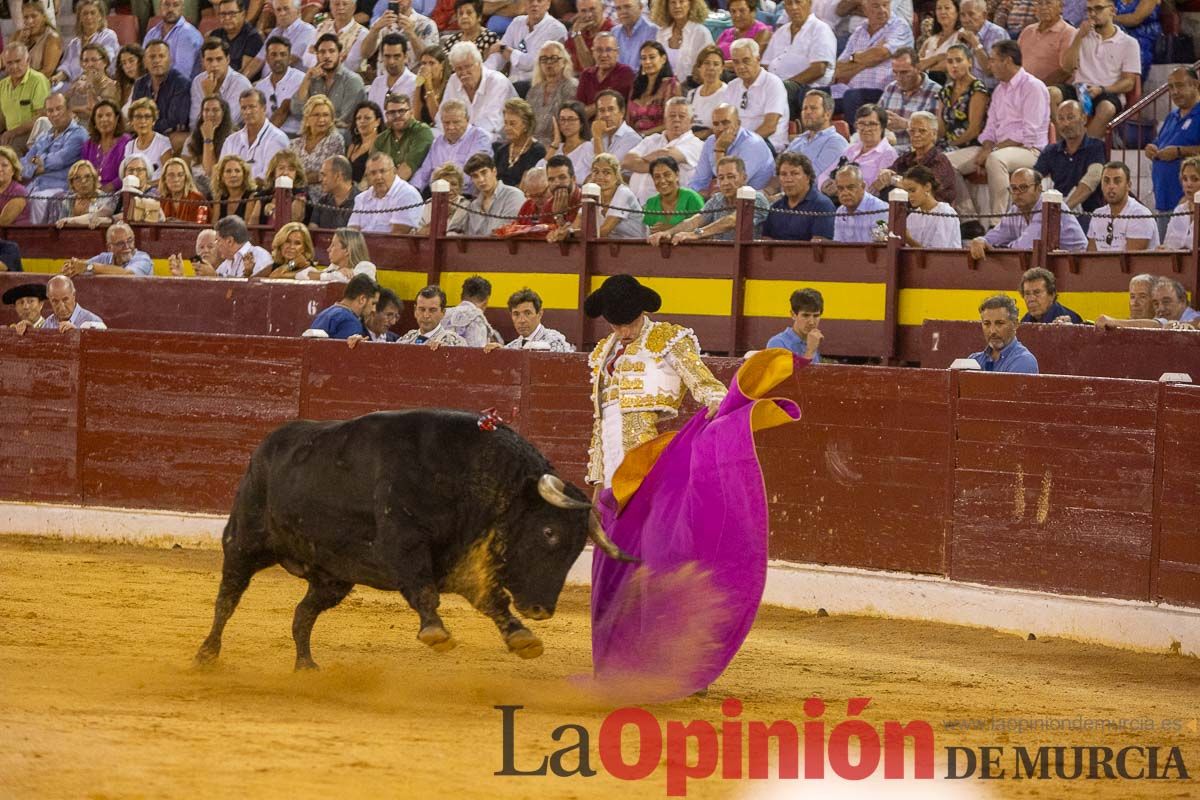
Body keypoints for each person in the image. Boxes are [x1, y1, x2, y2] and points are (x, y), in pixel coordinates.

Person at [583, 273, 727, 488]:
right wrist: (597, 472)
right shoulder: (604, 351)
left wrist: (717, 400)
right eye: (616, 325)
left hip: (649, 451)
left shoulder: (667, 338)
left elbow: (702, 380)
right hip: (608, 452)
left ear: (642, 312)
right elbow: (601, 417)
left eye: (630, 324)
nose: (624, 332)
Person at [950, 40, 1049, 216]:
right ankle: (969, 218)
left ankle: (999, 221)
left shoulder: (1033, 86)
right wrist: (987, 147)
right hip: (998, 148)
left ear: (1008, 61)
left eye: (993, 60)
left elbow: (1028, 133)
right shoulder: (999, 90)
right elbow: (990, 129)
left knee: (995, 159)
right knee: (946, 162)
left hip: (1029, 150)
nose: (989, 65)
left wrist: (992, 150)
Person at [1053, 0, 1138, 139]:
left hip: (1107, 92)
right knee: (1051, 93)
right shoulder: (1079, 35)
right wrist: (1079, 37)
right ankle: (1061, 144)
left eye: (1098, 9)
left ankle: (1084, 148)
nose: (1092, 14)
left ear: (1112, 11)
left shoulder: (1129, 43)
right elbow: (1067, 67)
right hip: (1079, 88)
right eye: (1089, 10)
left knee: (1106, 108)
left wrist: (1102, 89)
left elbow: (1129, 83)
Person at [650, 155, 771, 243]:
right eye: (721, 178)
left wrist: (696, 234)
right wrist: (668, 233)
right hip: (719, 258)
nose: (725, 183)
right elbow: (695, 220)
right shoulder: (717, 199)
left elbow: (732, 221)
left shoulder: (757, 198)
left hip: (750, 262)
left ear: (744, 178)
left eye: (731, 177)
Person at [969, 167, 1088, 255]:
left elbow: (1025, 247)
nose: (1017, 193)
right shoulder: (1016, 209)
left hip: (1077, 266)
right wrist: (981, 241)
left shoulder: (1049, 206)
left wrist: (995, 249)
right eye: (1014, 188)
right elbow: (998, 235)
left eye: (1024, 187)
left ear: (1039, 188)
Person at [832, 0, 913, 126]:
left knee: (851, 97)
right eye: (876, 6)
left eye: (885, 5)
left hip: (883, 91)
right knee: (814, 96)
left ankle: (857, 140)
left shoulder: (899, 26)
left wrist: (856, 59)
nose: (882, 10)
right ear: (865, 9)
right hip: (851, 89)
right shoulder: (859, 31)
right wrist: (864, 60)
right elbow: (839, 69)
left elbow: (881, 54)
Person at [20, 93, 86, 223]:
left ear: (68, 110)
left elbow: (58, 160)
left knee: (35, 200)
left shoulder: (78, 134)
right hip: (35, 187)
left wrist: (36, 162)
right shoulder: (44, 136)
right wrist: (36, 164)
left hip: (60, 188)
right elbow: (24, 163)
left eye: (59, 108)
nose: (54, 114)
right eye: (50, 110)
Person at [622, 96, 701, 203]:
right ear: (665, 119)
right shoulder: (652, 139)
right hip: (635, 205)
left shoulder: (696, 144)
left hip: (667, 209)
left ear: (691, 121)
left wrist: (641, 160)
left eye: (681, 116)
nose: (676, 119)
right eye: (672, 115)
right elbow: (627, 161)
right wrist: (656, 162)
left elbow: (667, 156)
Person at [1147, 69, 1200, 225]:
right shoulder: (1172, 116)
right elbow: (1160, 142)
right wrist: (1151, 148)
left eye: (1180, 85)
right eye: (1170, 87)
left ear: (1195, 85)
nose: (1174, 92)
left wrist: (1179, 152)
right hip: (1163, 200)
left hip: (1189, 203)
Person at [1033, 100, 1105, 213]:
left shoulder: (1096, 147)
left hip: (1088, 215)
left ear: (1084, 119)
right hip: (1057, 212)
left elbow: (1093, 177)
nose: (1066, 123)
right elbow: (1034, 178)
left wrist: (1064, 209)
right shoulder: (1051, 150)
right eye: (1061, 119)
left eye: (1070, 117)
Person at [871, 111, 956, 203]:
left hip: (931, 213)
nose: (916, 135)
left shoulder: (939, 160)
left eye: (922, 131)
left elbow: (923, 189)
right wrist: (884, 174)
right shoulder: (906, 158)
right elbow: (880, 183)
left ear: (934, 134)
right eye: (912, 131)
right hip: (898, 209)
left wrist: (893, 180)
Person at [689, 103, 774, 194]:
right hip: (724, 199)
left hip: (752, 200)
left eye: (725, 123)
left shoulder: (752, 144)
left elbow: (731, 186)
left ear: (738, 124)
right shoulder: (710, 141)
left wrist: (719, 150)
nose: (720, 128)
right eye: (716, 124)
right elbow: (698, 182)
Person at [410, 99, 491, 193]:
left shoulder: (480, 137)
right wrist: (413, 190)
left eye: (456, 122)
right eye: (446, 123)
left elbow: (473, 172)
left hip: (466, 195)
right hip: (438, 194)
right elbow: (424, 172)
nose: (451, 127)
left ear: (467, 120)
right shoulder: (438, 142)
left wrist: (446, 184)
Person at [441, 41, 517, 139]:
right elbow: (443, 114)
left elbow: (492, 123)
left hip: (498, 139)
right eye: (459, 69)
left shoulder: (498, 82)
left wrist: (461, 134)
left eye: (468, 66)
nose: (464, 72)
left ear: (479, 63)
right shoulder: (453, 80)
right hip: (461, 135)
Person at [723, 38, 788, 152]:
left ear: (758, 59)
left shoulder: (773, 83)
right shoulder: (732, 86)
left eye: (746, 60)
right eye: (736, 62)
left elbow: (770, 127)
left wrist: (742, 144)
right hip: (737, 143)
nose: (741, 66)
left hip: (766, 143)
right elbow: (725, 121)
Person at [762, 0, 836, 96]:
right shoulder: (780, 32)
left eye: (798, 2)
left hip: (806, 89)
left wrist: (785, 86)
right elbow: (765, 65)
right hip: (776, 86)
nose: (794, 7)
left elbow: (818, 69)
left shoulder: (820, 29)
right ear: (785, 7)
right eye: (789, 3)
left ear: (809, 3)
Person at [484, 0, 567, 85]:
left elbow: (532, 63)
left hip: (538, 85)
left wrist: (505, 49)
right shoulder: (517, 23)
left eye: (539, 1)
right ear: (524, 3)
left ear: (548, 4)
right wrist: (484, 72)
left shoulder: (556, 29)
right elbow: (498, 56)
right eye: (530, 0)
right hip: (512, 83)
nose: (534, 4)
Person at [293, 33, 367, 127]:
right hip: (315, 131)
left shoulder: (352, 80)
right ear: (317, 56)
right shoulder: (313, 79)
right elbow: (296, 110)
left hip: (342, 134)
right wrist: (306, 80)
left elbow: (345, 119)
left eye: (331, 51)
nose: (327, 56)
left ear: (340, 54)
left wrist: (315, 124)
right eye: (322, 52)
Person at [819, 103, 895, 194]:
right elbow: (824, 174)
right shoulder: (851, 149)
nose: (866, 128)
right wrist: (825, 185)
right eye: (861, 123)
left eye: (872, 124)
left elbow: (874, 190)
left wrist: (841, 187)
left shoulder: (888, 154)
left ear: (883, 127)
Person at [876, 47, 941, 153]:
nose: (899, 78)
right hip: (887, 145)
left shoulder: (935, 92)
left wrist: (906, 124)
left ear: (918, 68)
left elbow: (936, 133)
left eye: (904, 72)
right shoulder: (891, 88)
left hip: (915, 150)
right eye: (895, 72)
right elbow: (876, 117)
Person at [1086, 160, 1158, 251]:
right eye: (1106, 181)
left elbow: (1131, 261)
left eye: (1117, 181)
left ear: (1128, 185)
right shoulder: (1097, 214)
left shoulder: (1140, 214)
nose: (1111, 186)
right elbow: (1091, 256)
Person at [763, 152, 835, 241]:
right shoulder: (776, 207)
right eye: (783, 174)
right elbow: (766, 242)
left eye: (795, 173)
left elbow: (819, 247)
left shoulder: (822, 206)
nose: (788, 179)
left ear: (807, 177)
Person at [223, 88, 290, 181]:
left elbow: (270, 175)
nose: (247, 112)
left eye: (252, 107)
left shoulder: (277, 138)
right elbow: (221, 172)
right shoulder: (231, 140)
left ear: (264, 108)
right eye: (244, 108)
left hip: (264, 194)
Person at [348, 150, 423, 232]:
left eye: (382, 171)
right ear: (367, 176)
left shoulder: (407, 195)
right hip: (362, 243)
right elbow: (352, 233)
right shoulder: (361, 198)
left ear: (394, 171)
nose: (378, 177)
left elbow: (399, 236)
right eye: (373, 173)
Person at [785, 90, 848, 185]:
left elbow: (813, 178)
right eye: (804, 108)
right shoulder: (798, 141)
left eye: (813, 108)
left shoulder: (835, 142)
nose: (807, 112)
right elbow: (779, 171)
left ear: (827, 114)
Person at [51, 0, 119, 87]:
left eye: (93, 13)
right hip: (74, 85)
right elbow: (66, 66)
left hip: (100, 84)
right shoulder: (74, 44)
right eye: (85, 14)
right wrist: (58, 76)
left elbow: (105, 62)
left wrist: (84, 78)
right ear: (80, 18)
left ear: (100, 16)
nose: (89, 17)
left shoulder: (108, 36)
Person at [190, 38, 254, 129]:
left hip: (232, 136)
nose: (214, 65)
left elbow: (227, 123)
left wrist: (209, 95)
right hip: (203, 134)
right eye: (209, 60)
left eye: (219, 59)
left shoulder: (241, 84)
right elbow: (194, 122)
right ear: (203, 62)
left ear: (227, 60)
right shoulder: (198, 81)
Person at [483, 287, 573, 351]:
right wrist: (501, 354)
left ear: (540, 314)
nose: (521, 320)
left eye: (528, 313)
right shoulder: (512, 347)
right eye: (516, 314)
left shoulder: (555, 341)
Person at [968, 294, 1039, 373]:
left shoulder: (1024, 361)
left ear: (1015, 324)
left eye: (1000, 323)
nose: (992, 331)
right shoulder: (974, 360)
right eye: (987, 324)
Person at [0, 43, 51, 152]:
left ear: (28, 60)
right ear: (4, 64)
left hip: (34, 135)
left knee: (9, 151)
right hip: (11, 135)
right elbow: (2, 119)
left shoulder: (38, 80)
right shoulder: (2, 85)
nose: (14, 66)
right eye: (9, 63)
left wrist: (13, 132)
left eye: (18, 61)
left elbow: (42, 117)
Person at [1095, 276, 1200, 330]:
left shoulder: (1194, 318)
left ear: (1182, 301)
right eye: (1156, 304)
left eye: (1166, 301)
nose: (1161, 309)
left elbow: (1159, 325)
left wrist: (1114, 322)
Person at [246, 0, 318, 77]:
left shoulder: (307, 31)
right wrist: (241, 82)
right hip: (266, 83)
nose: (282, 13)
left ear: (298, 10)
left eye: (286, 9)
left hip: (289, 84)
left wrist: (264, 83)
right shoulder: (275, 32)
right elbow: (258, 60)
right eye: (278, 10)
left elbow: (287, 62)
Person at [13, 275, 104, 335]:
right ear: (49, 300)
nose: (61, 307)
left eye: (65, 300)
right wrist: (30, 332)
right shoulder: (48, 323)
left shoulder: (93, 321)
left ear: (74, 296)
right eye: (55, 301)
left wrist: (77, 334)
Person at [517, 153, 581, 236]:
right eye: (551, 179)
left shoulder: (584, 201)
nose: (557, 183)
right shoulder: (548, 205)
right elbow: (544, 241)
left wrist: (559, 216)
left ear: (573, 179)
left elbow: (576, 236)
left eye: (562, 177)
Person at [462, 152, 526, 235]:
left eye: (484, 172)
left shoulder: (514, 196)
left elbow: (508, 231)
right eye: (475, 176)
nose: (481, 179)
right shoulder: (473, 206)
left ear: (494, 171)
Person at [585, 152, 646, 239]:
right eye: (596, 171)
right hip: (612, 246)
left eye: (606, 172)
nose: (600, 176)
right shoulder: (591, 191)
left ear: (616, 176)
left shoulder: (624, 193)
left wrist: (572, 233)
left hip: (639, 246)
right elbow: (578, 223)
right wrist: (568, 231)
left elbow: (604, 230)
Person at [373, 92, 432, 182]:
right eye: (392, 112)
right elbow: (371, 171)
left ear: (411, 112)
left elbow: (406, 171)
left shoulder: (422, 132)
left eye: (401, 111)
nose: (397, 116)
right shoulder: (381, 139)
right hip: (382, 189)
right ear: (386, 116)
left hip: (411, 189)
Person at [255, 35, 305, 137]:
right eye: (273, 54)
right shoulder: (260, 87)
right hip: (267, 136)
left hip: (295, 135)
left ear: (289, 57)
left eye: (283, 54)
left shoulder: (301, 80)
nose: (278, 58)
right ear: (267, 58)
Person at [60, 222, 153, 277]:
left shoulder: (142, 258)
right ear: (109, 247)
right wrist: (71, 268)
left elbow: (127, 274)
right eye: (120, 243)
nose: (127, 246)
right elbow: (82, 266)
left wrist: (88, 268)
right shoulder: (104, 258)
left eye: (130, 240)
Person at [1017, 0, 1075, 86]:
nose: (1043, 7)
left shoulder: (1068, 32)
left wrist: (1038, 87)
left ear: (1060, 7)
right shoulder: (1027, 31)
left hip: (1051, 87)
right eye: (1040, 3)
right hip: (1022, 85)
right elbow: (1015, 61)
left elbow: (1066, 70)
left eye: (1048, 3)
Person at [900, 164, 960, 248]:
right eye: (906, 192)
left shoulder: (945, 213)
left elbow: (937, 254)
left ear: (927, 186)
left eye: (913, 190)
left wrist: (909, 240)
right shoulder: (912, 216)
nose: (909, 196)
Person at [578, 34, 635, 121]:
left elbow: (613, 109)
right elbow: (578, 112)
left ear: (617, 52)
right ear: (593, 52)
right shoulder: (586, 74)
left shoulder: (625, 73)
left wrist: (590, 110)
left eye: (608, 50)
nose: (604, 55)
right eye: (599, 50)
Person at [652, 0, 714, 80]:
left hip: (692, 88)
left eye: (681, 1)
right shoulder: (661, 33)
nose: (677, 6)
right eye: (673, 2)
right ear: (666, 6)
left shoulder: (701, 33)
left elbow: (709, 68)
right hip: (664, 88)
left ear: (691, 4)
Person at [627, 41, 679, 136]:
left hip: (660, 139)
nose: (647, 62)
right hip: (635, 139)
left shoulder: (671, 85)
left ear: (663, 59)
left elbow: (672, 122)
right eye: (643, 58)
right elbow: (628, 120)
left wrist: (644, 134)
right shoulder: (636, 85)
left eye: (652, 57)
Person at [143, 0, 204, 79]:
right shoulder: (152, 33)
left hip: (182, 89)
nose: (171, 9)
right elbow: (144, 64)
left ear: (182, 8)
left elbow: (181, 76)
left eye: (175, 5)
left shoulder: (189, 35)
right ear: (160, 7)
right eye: (167, 5)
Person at [306, 273, 380, 338]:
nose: (374, 309)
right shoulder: (351, 323)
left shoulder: (323, 314)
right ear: (362, 299)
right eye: (373, 303)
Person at [302, 0, 369, 72]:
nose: (340, 7)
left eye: (345, 4)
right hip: (318, 77)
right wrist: (337, 58)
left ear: (354, 8)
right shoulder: (321, 27)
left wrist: (319, 56)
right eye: (336, 4)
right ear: (330, 7)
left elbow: (351, 65)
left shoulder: (362, 33)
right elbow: (306, 59)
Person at [832, 163, 890, 242]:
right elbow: (838, 245)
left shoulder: (880, 209)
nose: (845, 193)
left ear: (863, 186)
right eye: (840, 188)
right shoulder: (840, 211)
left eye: (851, 187)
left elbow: (882, 245)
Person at [397, 284, 469, 347]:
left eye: (432, 310)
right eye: (422, 309)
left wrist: (446, 353)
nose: (426, 315)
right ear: (415, 310)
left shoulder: (454, 343)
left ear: (443, 313)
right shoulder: (406, 339)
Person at [62, 45, 119, 125]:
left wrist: (89, 85)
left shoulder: (111, 86)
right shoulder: (78, 82)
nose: (90, 64)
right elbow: (61, 105)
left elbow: (94, 110)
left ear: (105, 62)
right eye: (85, 60)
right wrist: (70, 112)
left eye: (94, 60)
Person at [55, 159, 117, 228]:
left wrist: (70, 220)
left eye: (87, 177)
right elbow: (60, 225)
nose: (83, 181)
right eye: (77, 178)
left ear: (94, 179)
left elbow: (104, 220)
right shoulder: (67, 201)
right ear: (72, 182)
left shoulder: (106, 199)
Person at [543, 100, 592, 187]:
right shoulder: (556, 148)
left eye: (571, 119)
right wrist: (555, 142)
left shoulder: (589, 147)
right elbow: (539, 174)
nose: (566, 124)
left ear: (581, 123)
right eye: (562, 119)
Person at [441, 274, 500, 346]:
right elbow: (478, 352)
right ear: (486, 301)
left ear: (461, 296)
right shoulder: (477, 318)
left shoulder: (443, 313)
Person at [766, 287, 823, 360]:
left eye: (816, 316)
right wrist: (810, 351)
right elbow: (788, 372)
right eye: (805, 315)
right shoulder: (777, 343)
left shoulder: (812, 342)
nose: (811, 322)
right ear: (793, 315)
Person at [214, 0, 265, 79]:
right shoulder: (215, 35)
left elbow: (244, 73)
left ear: (243, 14)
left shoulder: (253, 37)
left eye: (232, 14)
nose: (227, 18)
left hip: (241, 85)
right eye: (223, 14)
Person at [296, 227, 371, 280]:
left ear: (347, 250)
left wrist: (336, 274)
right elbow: (301, 275)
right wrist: (336, 272)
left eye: (333, 245)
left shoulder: (366, 266)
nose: (328, 249)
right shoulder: (334, 267)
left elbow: (345, 279)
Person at [367, 33, 417, 111]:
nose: (391, 61)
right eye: (387, 56)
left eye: (396, 56)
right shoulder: (377, 83)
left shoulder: (415, 83)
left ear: (405, 57)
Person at [591, 89, 643, 164]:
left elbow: (606, 170)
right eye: (602, 110)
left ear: (622, 112)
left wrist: (597, 138)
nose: (606, 114)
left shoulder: (632, 139)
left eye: (611, 109)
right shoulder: (596, 136)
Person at [685, 45, 726, 138]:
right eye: (706, 63)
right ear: (699, 67)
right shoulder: (692, 94)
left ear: (722, 68)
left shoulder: (728, 93)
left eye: (716, 64)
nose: (711, 68)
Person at [416, 162, 469, 233]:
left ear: (460, 188)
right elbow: (419, 233)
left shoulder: (465, 205)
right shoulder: (429, 204)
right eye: (445, 184)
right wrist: (441, 216)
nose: (449, 188)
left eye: (454, 184)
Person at [16, 1, 62, 80]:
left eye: (34, 16)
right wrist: (19, 43)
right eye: (26, 17)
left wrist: (23, 83)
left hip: (40, 84)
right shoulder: (18, 35)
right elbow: (5, 61)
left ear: (44, 17)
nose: (30, 21)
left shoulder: (52, 38)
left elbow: (47, 72)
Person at [310, 155, 360, 228]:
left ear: (337, 176)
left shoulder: (362, 201)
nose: (320, 180)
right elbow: (313, 232)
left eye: (324, 175)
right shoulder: (322, 202)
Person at [1161, 156, 1200, 251]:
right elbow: (1167, 244)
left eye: (1195, 179)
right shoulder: (1179, 210)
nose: (1188, 184)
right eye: (1185, 179)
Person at [917, 0, 963, 77]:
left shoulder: (961, 36)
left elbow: (949, 65)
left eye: (947, 8)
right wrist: (938, 58)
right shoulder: (930, 40)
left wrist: (927, 65)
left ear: (957, 12)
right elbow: (917, 64)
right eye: (939, 8)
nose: (942, 12)